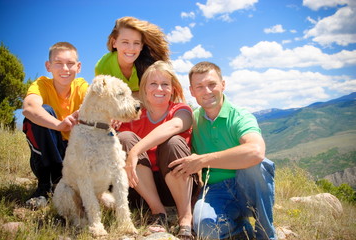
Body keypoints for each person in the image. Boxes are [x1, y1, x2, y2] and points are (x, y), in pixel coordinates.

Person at [169, 61, 276, 240]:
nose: (207, 91)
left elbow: (256, 151)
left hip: (246, 185)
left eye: (212, 84)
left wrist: (204, 160)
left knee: (258, 165)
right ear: (192, 91)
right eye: (200, 87)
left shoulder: (239, 116)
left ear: (223, 85)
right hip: (215, 190)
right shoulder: (193, 119)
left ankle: (266, 234)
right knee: (205, 229)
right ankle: (241, 229)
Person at [117, 61, 195, 239]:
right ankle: (158, 212)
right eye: (153, 84)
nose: (159, 89)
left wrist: (136, 151)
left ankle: (185, 217)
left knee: (173, 142)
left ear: (173, 88)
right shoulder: (132, 116)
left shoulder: (181, 110)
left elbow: (175, 125)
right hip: (142, 188)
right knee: (124, 138)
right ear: (144, 89)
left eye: (165, 84)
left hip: (176, 185)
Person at [22, 42, 88, 208]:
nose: (65, 69)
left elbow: (95, 102)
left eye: (70, 64)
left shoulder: (81, 87)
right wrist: (59, 125)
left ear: (78, 67)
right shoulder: (41, 84)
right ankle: (45, 188)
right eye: (58, 63)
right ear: (48, 66)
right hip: (47, 155)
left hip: (73, 154)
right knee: (41, 112)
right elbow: (29, 107)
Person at [95, 16, 169, 99]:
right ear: (114, 43)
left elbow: (157, 94)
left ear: (141, 46)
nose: (131, 48)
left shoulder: (149, 65)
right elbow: (107, 99)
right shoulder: (102, 67)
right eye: (125, 42)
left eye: (136, 43)